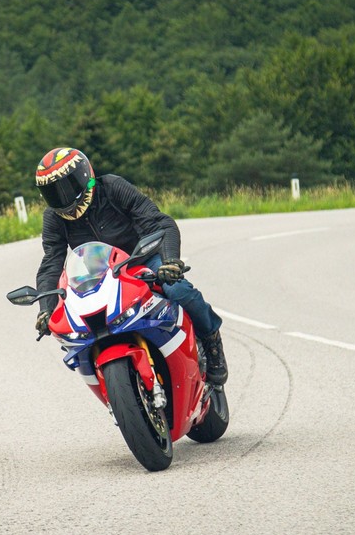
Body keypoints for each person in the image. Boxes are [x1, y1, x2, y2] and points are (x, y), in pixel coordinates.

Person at [32, 147, 228, 385]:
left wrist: (169, 261)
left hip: (141, 259)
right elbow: (51, 261)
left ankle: (211, 338)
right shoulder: (53, 217)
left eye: (67, 187)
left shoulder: (113, 187)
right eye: (53, 192)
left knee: (178, 290)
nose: (62, 198)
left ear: (85, 176)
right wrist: (46, 308)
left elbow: (159, 222)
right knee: (76, 321)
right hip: (98, 275)